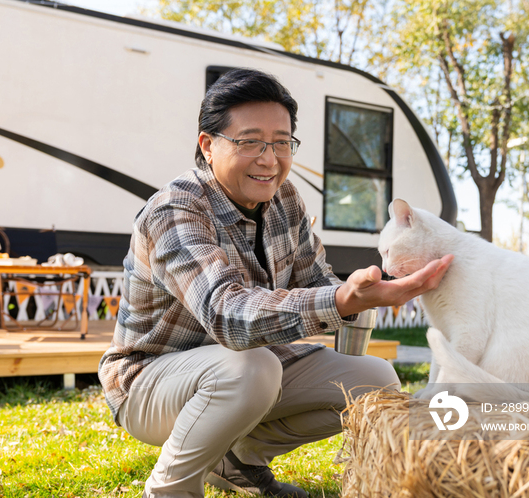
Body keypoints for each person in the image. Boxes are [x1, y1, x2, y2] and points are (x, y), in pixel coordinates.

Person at [98, 68, 453, 498]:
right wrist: (340, 299)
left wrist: (361, 292)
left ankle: (238, 462)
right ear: (208, 146)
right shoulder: (176, 209)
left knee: (375, 379)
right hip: (149, 381)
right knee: (252, 367)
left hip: (247, 368)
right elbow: (228, 317)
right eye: (250, 142)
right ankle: (170, 489)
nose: (270, 159)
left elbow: (316, 281)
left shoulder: (285, 199)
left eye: (282, 142)